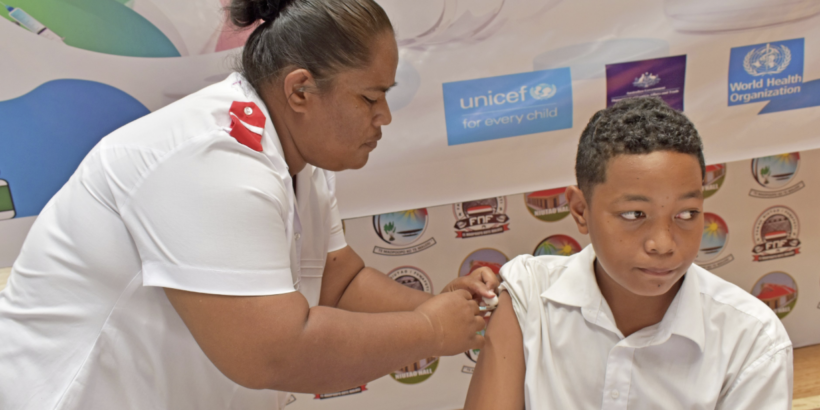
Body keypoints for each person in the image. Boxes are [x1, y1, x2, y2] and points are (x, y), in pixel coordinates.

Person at [0, 1, 497, 409]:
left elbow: (336, 279)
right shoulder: (210, 159)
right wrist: (429, 329)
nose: (385, 116)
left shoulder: (298, 156)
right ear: (300, 89)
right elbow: (273, 354)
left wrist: (444, 309)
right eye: (370, 98)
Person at [464, 97, 793, 410]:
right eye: (634, 215)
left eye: (687, 214)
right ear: (580, 210)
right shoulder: (529, 295)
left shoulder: (751, 337)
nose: (663, 244)